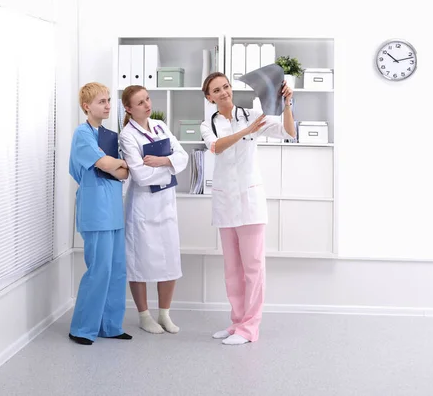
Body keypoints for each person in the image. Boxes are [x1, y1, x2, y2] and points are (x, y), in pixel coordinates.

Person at [199, 72, 296, 345]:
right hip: (225, 202)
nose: (224, 92)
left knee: (253, 267)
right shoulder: (208, 124)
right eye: (216, 90)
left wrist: (288, 103)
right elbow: (216, 147)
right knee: (232, 269)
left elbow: (288, 132)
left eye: (226, 86)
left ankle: (250, 328)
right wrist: (246, 132)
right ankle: (237, 322)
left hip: (250, 202)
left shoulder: (253, 114)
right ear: (209, 97)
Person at [119, 85, 189, 334]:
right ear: (128, 108)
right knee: (139, 261)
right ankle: (144, 315)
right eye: (140, 103)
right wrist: (169, 167)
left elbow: (183, 157)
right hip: (143, 207)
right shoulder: (127, 135)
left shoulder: (160, 126)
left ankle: (165, 315)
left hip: (166, 204)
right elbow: (139, 175)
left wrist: (162, 161)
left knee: (169, 259)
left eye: (147, 99)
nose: (147, 105)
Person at [68, 82, 132, 345]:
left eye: (108, 101)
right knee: (99, 270)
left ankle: (110, 325)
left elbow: (123, 173)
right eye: (101, 102)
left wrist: (115, 165)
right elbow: (107, 164)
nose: (107, 106)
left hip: (114, 211)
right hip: (96, 210)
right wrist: (116, 163)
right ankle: (82, 328)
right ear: (87, 106)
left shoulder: (110, 136)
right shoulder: (82, 134)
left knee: (117, 269)